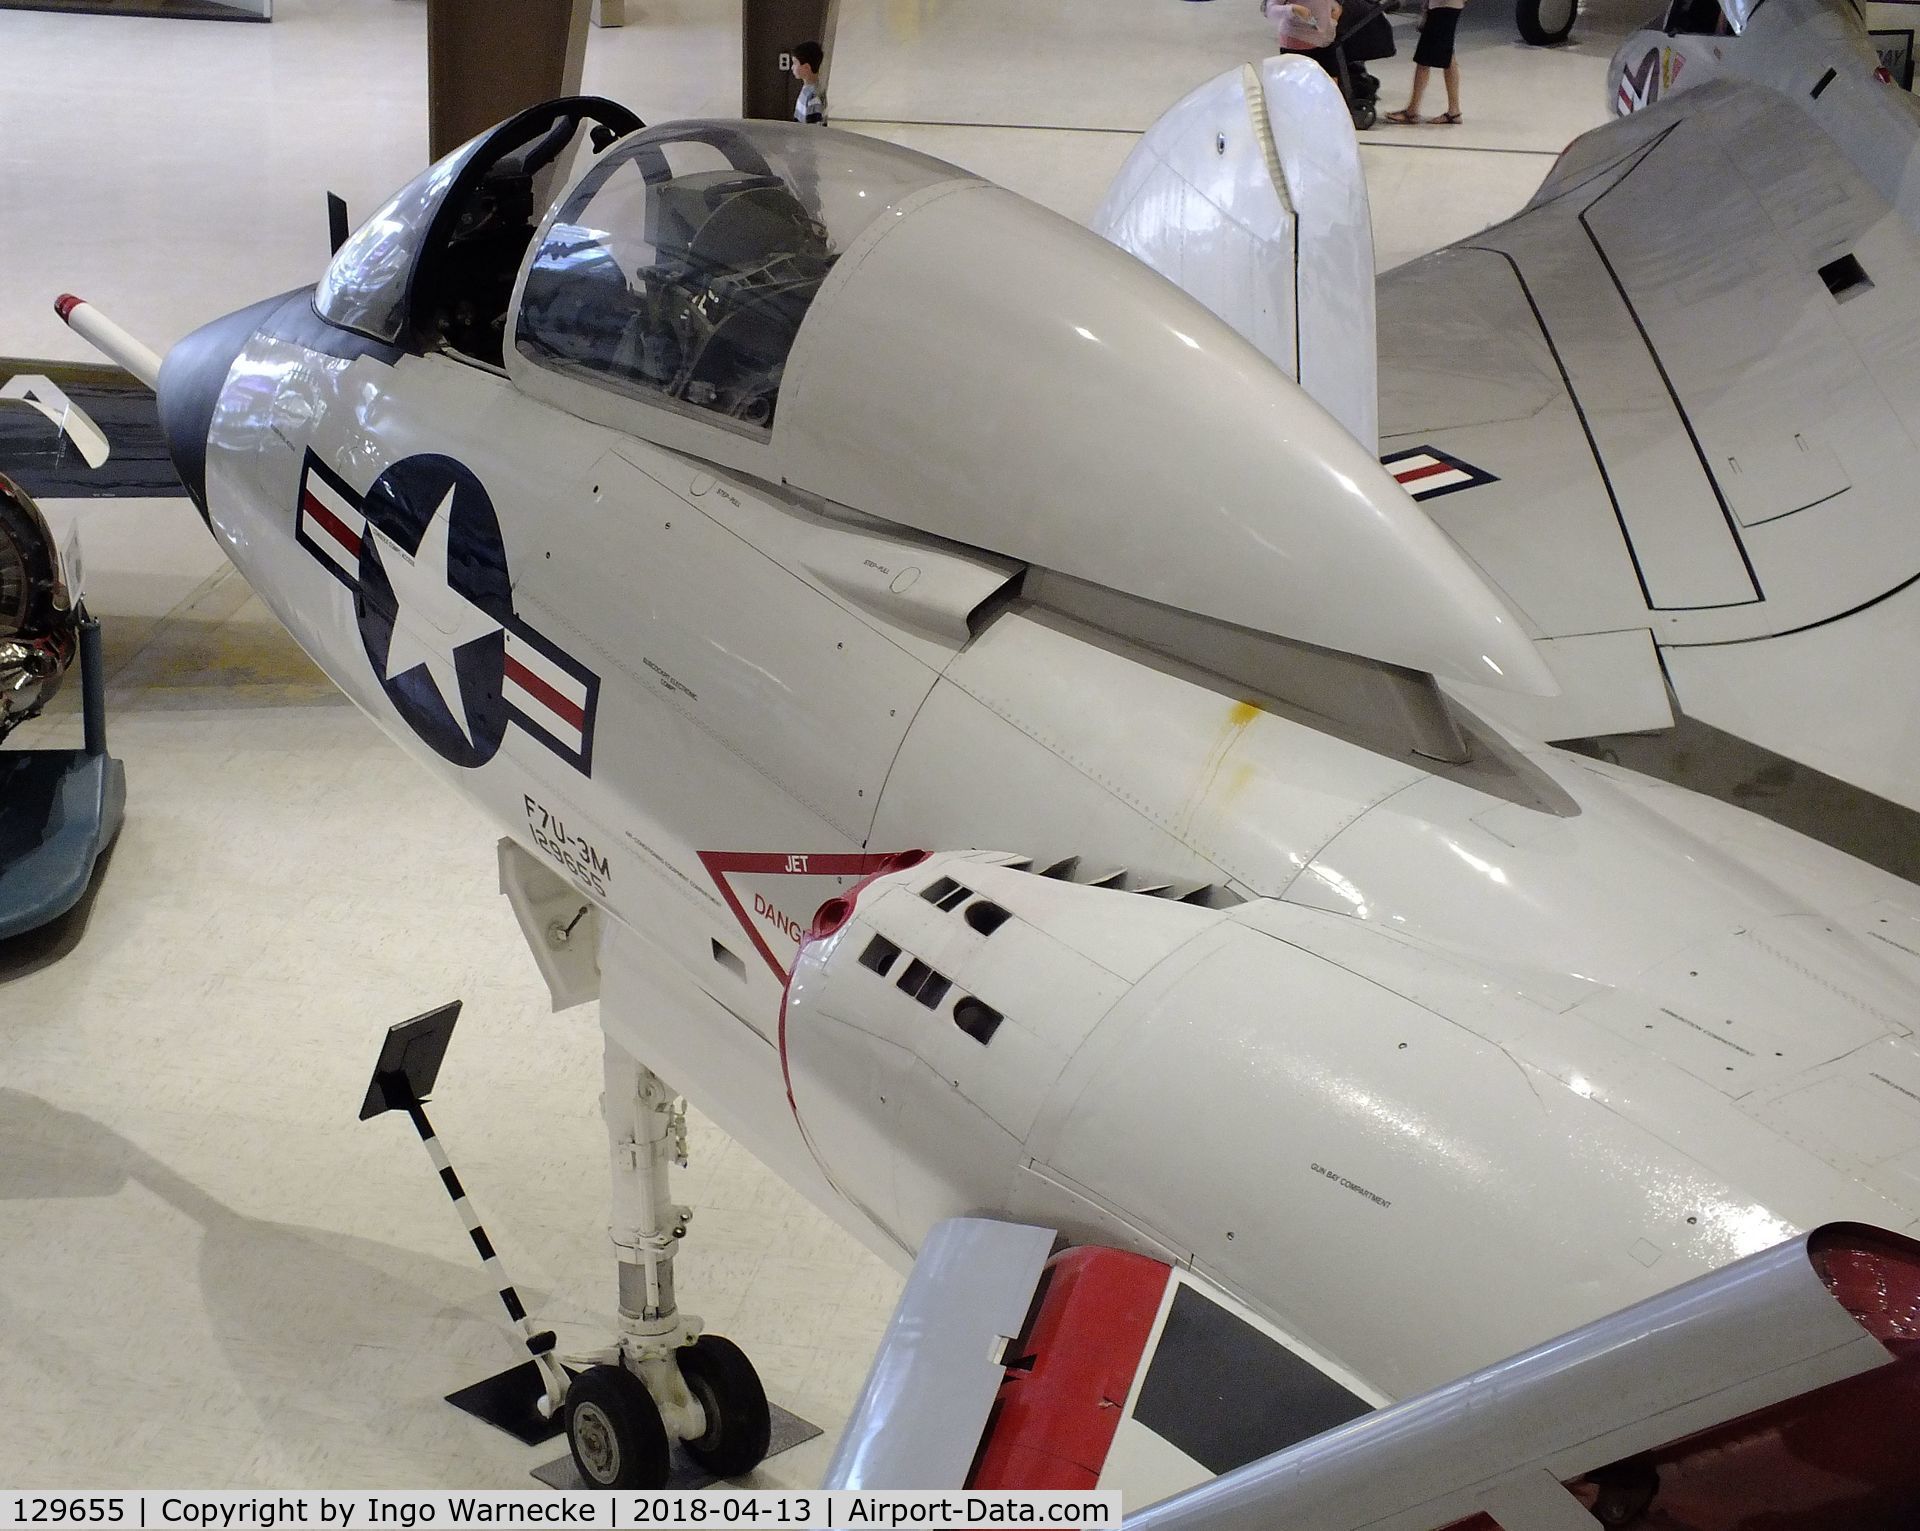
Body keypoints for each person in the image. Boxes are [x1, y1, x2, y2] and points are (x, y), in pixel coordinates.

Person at [1385, 0, 1464, 124]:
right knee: (1447, 56)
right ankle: (1454, 110)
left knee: (1424, 58)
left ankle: (1412, 111)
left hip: (1444, 7)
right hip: (1445, 6)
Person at [791, 40, 827, 125]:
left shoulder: (813, 96)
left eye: (795, 63)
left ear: (806, 67)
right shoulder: (807, 90)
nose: (792, 67)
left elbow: (814, 130)